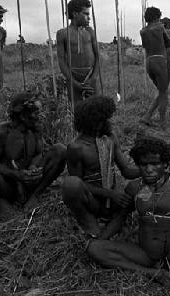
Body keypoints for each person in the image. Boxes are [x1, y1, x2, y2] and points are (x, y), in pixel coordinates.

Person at [86, 136, 170, 296]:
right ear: (138, 165)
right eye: (144, 165)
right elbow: (120, 218)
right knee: (94, 247)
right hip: (146, 256)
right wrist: (102, 239)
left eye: (155, 164)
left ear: (165, 164)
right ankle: (151, 272)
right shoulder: (134, 188)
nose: (149, 169)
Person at [0, 92, 66, 219]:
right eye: (36, 113)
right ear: (23, 116)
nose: (40, 116)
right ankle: (0, 203)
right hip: (6, 184)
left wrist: (33, 168)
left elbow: (37, 154)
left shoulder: (35, 128)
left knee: (60, 150)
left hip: (29, 182)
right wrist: (15, 175)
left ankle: (35, 196)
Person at [61, 95, 140, 237]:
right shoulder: (76, 147)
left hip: (115, 200)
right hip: (93, 202)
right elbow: (79, 185)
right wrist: (109, 194)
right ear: (94, 122)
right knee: (70, 184)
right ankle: (87, 219)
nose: (108, 122)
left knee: (135, 188)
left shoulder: (109, 138)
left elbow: (126, 171)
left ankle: (117, 219)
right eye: (105, 119)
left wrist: (148, 169)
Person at [57, 0, 100, 103]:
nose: (89, 18)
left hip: (90, 77)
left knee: (96, 107)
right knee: (77, 111)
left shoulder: (90, 32)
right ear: (75, 14)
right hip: (73, 79)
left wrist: (92, 78)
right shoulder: (62, 34)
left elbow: (98, 57)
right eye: (85, 14)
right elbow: (61, 62)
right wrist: (75, 83)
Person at [139, 7, 170, 129]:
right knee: (164, 92)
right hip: (160, 60)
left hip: (149, 62)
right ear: (156, 17)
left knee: (161, 91)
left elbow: (146, 46)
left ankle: (147, 116)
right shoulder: (160, 27)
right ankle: (163, 122)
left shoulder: (143, 31)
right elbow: (168, 45)